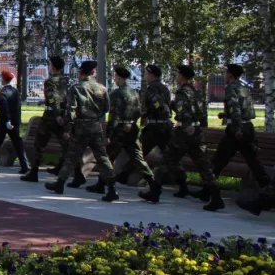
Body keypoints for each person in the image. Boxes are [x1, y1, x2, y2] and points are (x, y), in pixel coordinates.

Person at [141, 65, 222, 210]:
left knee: (167, 159)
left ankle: (155, 192)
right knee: (203, 166)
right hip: (197, 131)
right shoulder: (197, 92)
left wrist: (185, 126)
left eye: (178, 75)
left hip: (186, 133)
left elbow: (183, 112)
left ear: (183, 76)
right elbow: (202, 113)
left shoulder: (182, 93)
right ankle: (216, 196)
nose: (177, 77)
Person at [45, 61, 118, 201]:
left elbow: (71, 111)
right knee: (102, 158)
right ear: (93, 73)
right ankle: (112, 188)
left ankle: (60, 184)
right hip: (96, 127)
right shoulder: (102, 89)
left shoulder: (76, 88)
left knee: (71, 157)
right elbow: (106, 108)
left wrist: (67, 128)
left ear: (80, 72)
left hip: (81, 127)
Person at [206, 64, 270, 214]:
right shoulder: (243, 87)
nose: (224, 75)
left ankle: (214, 198)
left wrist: (236, 128)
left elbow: (235, 108)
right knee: (254, 163)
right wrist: (226, 114)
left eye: (225, 72)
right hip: (248, 128)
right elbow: (246, 109)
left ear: (230, 75)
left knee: (217, 162)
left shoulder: (230, 88)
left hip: (236, 130)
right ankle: (266, 194)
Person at [21, 56, 82, 185]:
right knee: (67, 146)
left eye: (49, 65)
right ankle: (78, 174)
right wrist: (62, 115)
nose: (49, 67)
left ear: (53, 67)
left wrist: (55, 114)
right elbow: (63, 98)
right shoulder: (65, 81)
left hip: (50, 117)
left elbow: (52, 99)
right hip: (63, 114)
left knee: (39, 144)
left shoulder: (49, 81)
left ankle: (34, 172)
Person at [104, 67, 159, 195]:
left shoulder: (117, 94)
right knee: (138, 158)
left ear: (118, 77)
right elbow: (139, 112)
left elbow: (114, 116)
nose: (114, 79)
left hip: (120, 129)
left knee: (107, 157)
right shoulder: (134, 93)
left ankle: (109, 187)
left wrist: (109, 133)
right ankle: (152, 182)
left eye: (115, 77)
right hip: (132, 128)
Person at [0, 70, 29, 174]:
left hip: (5, 121)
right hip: (15, 122)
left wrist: (7, 120)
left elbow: (4, 108)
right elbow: (17, 107)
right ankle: (25, 165)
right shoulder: (15, 91)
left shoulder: (2, 92)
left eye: (1, 78)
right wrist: (15, 121)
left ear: (4, 79)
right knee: (18, 143)